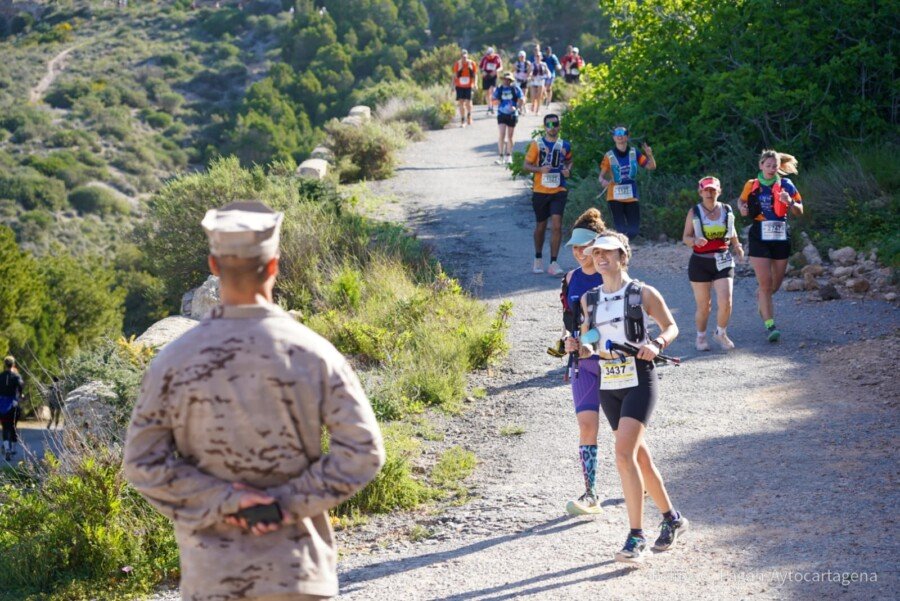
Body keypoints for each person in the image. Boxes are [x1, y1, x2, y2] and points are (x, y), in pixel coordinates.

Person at [124, 201, 386, 601]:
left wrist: (228, 501)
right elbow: (363, 452)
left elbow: (142, 465)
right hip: (297, 573)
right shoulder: (313, 353)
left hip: (213, 577)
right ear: (274, 265)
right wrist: (286, 504)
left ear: (214, 265)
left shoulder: (173, 361)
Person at [576, 232, 688, 563]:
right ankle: (672, 519)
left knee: (623, 454)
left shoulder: (642, 293)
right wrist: (580, 345)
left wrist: (656, 345)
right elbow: (591, 334)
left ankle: (636, 537)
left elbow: (671, 326)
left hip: (639, 378)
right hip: (609, 381)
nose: (601, 257)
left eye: (608, 252)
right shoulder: (590, 299)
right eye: (596, 253)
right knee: (639, 457)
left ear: (623, 256)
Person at [560, 209, 605, 515]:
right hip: (582, 365)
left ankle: (640, 479)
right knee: (587, 426)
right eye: (574, 248)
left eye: (583, 247)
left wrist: (591, 341)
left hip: (615, 362)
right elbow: (567, 320)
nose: (578, 253)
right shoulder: (570, 279)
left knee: (623, 429)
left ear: (597, 247)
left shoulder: (612, 276)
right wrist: (567, 340)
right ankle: (590, 494)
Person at [739, 149, 803, 342]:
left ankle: (763, 299)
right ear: (761, 166)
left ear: (778, 167)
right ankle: (770, 325)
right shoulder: (752, 185)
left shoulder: (787, 185)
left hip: (781, 233)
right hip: (759, 233)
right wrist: (742, 208)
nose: (771, 169)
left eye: (774, 166)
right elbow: (741, 202)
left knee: (775, 284)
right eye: (768, 166)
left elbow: (800, 210)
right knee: (765, 283)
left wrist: (789, 202)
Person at [682, 176, 744, 351]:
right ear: (700, 192)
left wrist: (737, 246)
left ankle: (721, 333)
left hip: (723, 259)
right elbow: (685, 237)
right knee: (704, 306)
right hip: (700, 262)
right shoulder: (694, 211)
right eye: (706, 190)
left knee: (726, 301)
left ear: (719, 191)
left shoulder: (726, 209)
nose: (709, 193)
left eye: (713, 190)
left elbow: (731, 230)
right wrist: (694, 241)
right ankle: (701, 336)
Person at [523, 113, 573, 276]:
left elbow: (569, 161)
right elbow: (526, 165)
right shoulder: (537, 144)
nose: (553, 127)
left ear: (559, 126)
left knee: (557, 226)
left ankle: (553, 262)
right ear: (545, 127)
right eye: (549, 125)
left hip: (559, 190)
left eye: (555, 124)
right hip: (540, 191)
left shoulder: (565, 145)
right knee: (541, 226)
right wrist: (539, 169)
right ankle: (538, 258)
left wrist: (567, 170)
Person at [598, 125, 656, 240]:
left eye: (622, 133)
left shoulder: (635, 153)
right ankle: (622, 252)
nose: (620, 136)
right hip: (614, 197)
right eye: (617, 134)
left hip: (631, 196)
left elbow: (651, 166)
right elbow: (601, 176)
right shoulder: (609, 155)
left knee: (634, 230)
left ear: (627, 137)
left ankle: (624, 246)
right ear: (614, 138)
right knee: (620, 229)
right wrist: (603, 181)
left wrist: (649, 154)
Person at [492, 72, 524, 165]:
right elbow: (493, 99)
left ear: (511, 80)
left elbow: (522, 99)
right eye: (505, 79)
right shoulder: (499, 88)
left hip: (512, 114)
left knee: (510, 137)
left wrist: (517, 107)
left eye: (508, 79)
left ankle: (509, 156)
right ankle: (500, 157)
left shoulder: (515, 88)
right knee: (501, 135)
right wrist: (497, 102)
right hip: (501, 113)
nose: (506, 81)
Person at [1, 356, 23, 461]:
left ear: (5, 364)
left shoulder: (1, 376)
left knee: (5, 427)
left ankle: (7, 449)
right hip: (13, 404)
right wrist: (20, 396)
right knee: (13, 427)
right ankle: (13, 449)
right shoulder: (16, 376)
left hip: (2, 405)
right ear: (13, 364)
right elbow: (20, 387)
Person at [451, 48, 478, 127]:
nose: (464, 59)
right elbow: (454, 76)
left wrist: (475, 84)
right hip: (459, 86)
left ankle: (469, 115)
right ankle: (462, 120)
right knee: (461, 103)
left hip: (468, 85)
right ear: (461, 57)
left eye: (465, 57)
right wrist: (452, 86)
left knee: (468, 103)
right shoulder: (457, 64)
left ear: (467, 56)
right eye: (463, 57)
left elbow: (475, 75)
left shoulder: (472, 64)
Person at [479, 47, 502, 114]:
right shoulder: (484, 58)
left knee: (493, 91)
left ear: (493, 53)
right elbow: (480, 67)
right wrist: (483, 71)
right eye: (488, 54)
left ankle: (493, 106)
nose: (489, 56)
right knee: (487, 92)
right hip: (486, 76)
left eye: (490, 54)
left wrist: (496, 71)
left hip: (493, 76)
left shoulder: (497, 57)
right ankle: (489, 107)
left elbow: (501, 67)